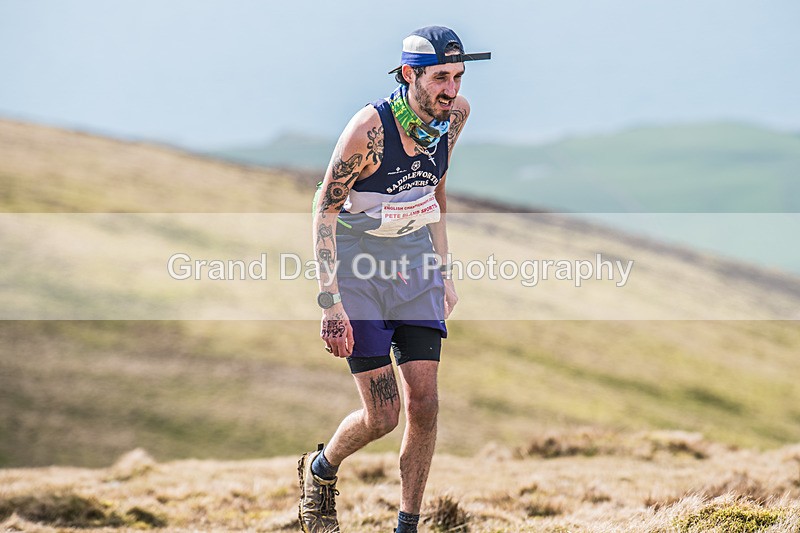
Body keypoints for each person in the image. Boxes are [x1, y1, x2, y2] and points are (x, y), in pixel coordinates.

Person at [298, 26, 490, 533]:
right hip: (358, 267)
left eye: (458, 76)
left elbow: (437, 194)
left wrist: (444, 272)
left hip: (414, 261)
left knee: (424, 403)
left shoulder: (457, 116)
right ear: (409, 75)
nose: (451, 89)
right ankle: (320, 470)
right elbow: (324, 210)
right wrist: (329, 302)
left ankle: (408, 525)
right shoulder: (369, 131)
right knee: (383, 417)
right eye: (440, 78)